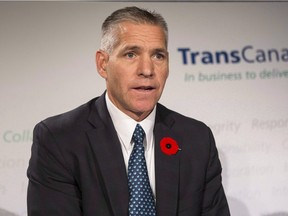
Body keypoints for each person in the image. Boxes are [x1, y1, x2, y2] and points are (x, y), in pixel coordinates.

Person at [27, 6, 230, 216]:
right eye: (131, 54)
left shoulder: (196, 139)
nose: (147, 70)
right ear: (103, 64)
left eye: (158, 56)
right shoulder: (60, 139)